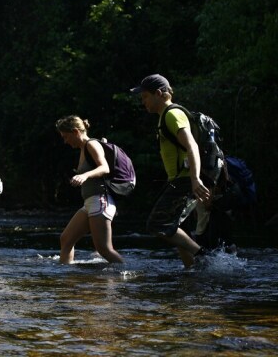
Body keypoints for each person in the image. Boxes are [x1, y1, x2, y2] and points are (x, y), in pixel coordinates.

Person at [130, 74, 209, 268]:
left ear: (159, 94)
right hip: (180, 179)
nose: (143, 102)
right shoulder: (166, 116)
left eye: (145, 97)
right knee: (177, 227)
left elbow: (192, 146)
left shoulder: (172, 115)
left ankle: (204, 256)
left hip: (184, 180)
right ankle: (192, 271)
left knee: (157, 225)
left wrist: (195, 179)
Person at [55, 115, 125, 264]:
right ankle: (65, 278)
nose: (65, 141)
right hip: (90, 203)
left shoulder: (91, 144)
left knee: (104, 249)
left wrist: (84, 175)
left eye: (66, 137)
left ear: (75, 132)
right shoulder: (83, 148)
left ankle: (126, 277)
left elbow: (104, 167)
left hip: (100, 200)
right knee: (66, 239)